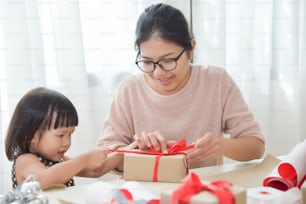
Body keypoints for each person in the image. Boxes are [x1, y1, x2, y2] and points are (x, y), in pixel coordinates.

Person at [97, 3, 265, 171]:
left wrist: (220, 145)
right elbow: (104, 156)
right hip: (144, 190)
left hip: (202, 190)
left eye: (168, 60)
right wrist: (136, 152)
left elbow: (256, 146)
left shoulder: (217, 81)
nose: (158, 73)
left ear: (191, 49)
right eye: (147, 62)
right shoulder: (129, 90)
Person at [5, 87, 128, 189]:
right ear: (30, 135)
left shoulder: (60, 160)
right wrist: (85, 159)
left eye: (70, 134)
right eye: (60, 135)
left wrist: (124, 152)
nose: (67, 143)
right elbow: (45, 179)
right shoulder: (25, 160)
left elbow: (95, 171)